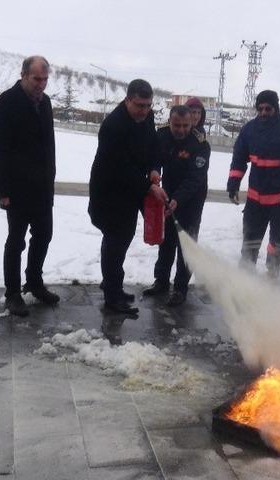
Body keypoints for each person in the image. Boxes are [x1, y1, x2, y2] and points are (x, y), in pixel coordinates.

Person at [88, 79, 168, 314]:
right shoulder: (113, 126)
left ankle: (113, 285)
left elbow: (153, 147)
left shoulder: (147, 118)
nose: (144, 111)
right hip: (109, 192)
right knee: (115, 241)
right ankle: (112, 298)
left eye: (147, 105)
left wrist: (155, 169)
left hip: (131, 191)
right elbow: (119, 168)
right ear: (127, 100)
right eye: (139, 105)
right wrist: (148, 187)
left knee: (122, 240)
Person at [0, 56, 59, 317]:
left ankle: (34, 282)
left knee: (44, 235)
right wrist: (3, 191)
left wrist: (51, 177)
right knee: (16, 241)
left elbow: (48, 145)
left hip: (42, 187)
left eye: (45, 79)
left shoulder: (46, 103)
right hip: (17, 189)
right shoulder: (5, 103)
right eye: (36, 79)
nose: (41, 84)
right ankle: (13, 293)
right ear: (23, 74)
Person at [226, 90, 280, 273]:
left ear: (275, 109)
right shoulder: (249, 130)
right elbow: (239, 158)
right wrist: (233, 184)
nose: (263, 112)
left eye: (268, 109)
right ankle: (244, 279)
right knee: (250, 241)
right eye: (260, 108)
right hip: (255, 200)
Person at [142, 103, 210, 306]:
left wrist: (177, 200)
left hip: (191, 200)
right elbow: (154, 158)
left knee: (185, 244)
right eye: (176, 125)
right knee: (166, 240)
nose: (181, 130)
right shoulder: (161, 136)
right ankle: (161, 281)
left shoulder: (200, 144)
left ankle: (180, 288)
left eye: (185, 126)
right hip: (167, 194)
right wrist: (154, 171)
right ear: (170, 122)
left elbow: (194, 179)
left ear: (192, 124)